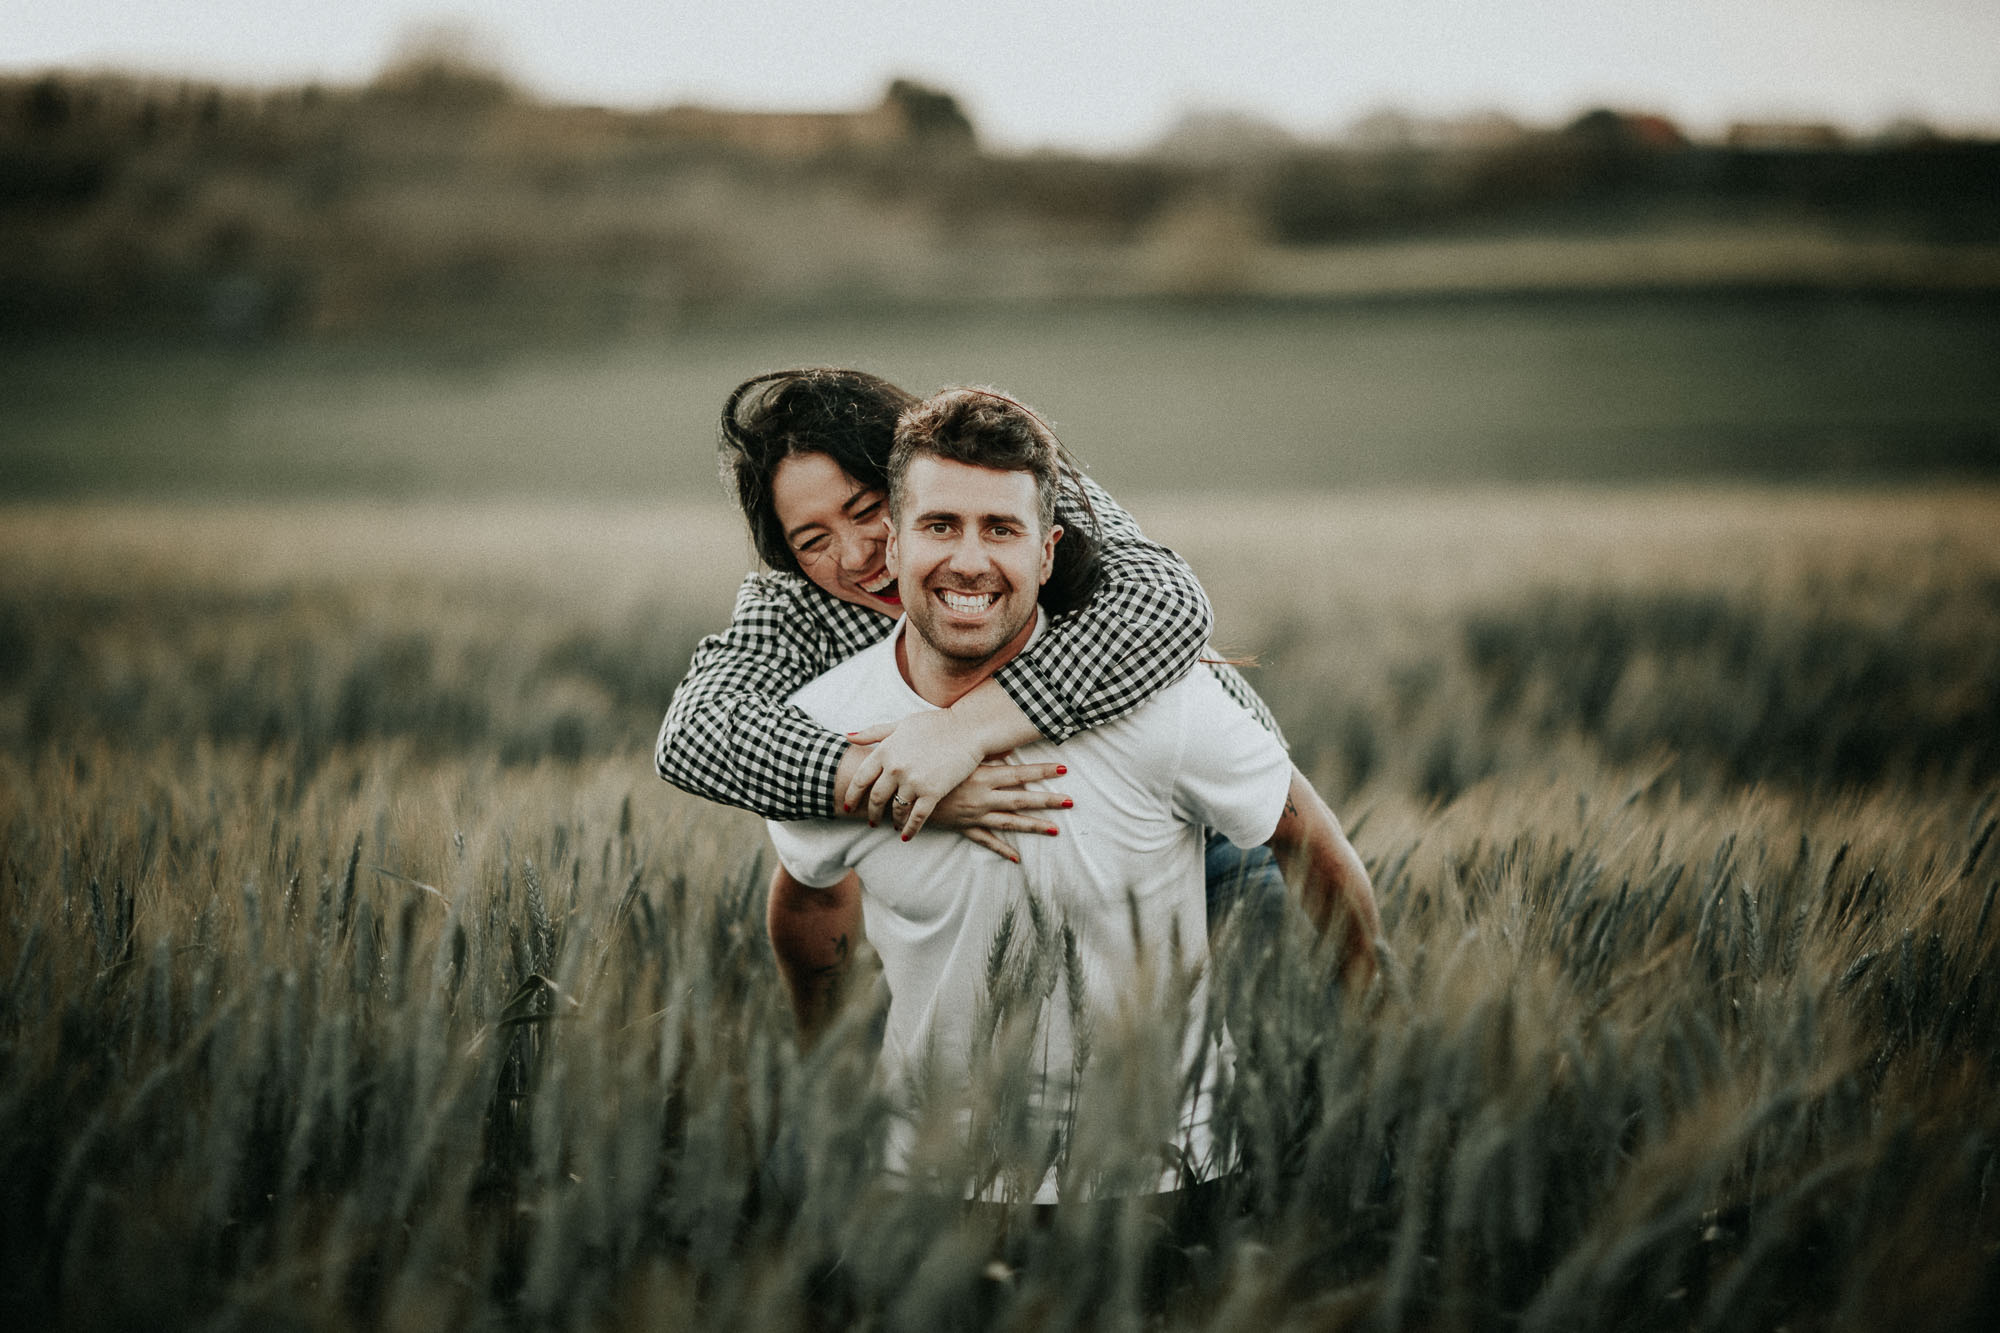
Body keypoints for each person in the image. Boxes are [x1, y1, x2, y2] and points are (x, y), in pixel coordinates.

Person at [762, 387, 1381, 1207]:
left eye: (999, 529)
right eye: (940, 526)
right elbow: (804, 897)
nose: (855, 553)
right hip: (931, 1182)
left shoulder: (1157, 687)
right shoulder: (821, 724)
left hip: (1171, 1172)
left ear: (1049, 550)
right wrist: (828, 1077)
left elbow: (1309, 838)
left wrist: (1375, 1034)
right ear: (906, 537)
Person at [655, 367, 1290, 928]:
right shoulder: (794, 601)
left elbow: (1167, 606)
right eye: (812, 538)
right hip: (1021, 864)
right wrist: (899, 786)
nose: (855, 555)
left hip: (1209, 833)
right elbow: (695, 733)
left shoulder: (1011, 495)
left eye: (867, 507)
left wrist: (961, 733)